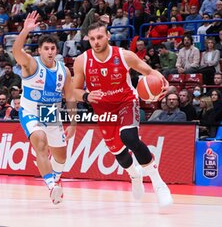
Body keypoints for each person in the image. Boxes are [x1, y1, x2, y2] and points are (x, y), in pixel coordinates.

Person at [72, 21, 173, 207]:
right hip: (103, 110)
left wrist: (160, 80)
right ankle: (134, 175)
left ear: (108, 36)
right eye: (92, 38)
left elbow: (149, 71)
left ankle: (159, 184)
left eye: (100, 37)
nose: (96, 42)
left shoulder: (124, 55)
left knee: (129, 137)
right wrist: (86, 96)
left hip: (126, 101)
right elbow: (74, 91)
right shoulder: (82, 61)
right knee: (118, 152)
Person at [12, 11, 76, 205]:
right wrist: (25, 30)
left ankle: (56, 176)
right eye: (46, 48)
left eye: (53, 48)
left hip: (51, 114)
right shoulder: (31, 64)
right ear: (40, 50)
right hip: (30, 111)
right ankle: (51, 186)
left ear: (56, 51)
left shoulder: (63, 70)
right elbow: (16, 52)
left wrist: (73, 123)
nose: (50, 51)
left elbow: (71, 96)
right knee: (40, 141)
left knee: (61, 157)